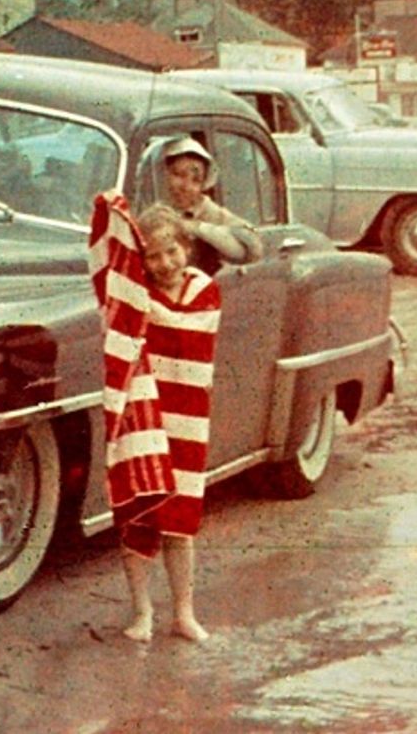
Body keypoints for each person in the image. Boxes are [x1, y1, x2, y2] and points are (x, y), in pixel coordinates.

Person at [89, 196, 221, 644]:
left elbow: (186, 328)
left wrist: (137, 302)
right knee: (139, 517)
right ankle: (142, 610)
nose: (165, 263)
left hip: (187, 420)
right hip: (144, 416)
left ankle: (184, 613)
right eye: (152, 255)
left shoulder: (205, 289)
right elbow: (114, 309)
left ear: (187, 247)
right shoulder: (133, 295)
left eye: (172, 251)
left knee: (180, 524)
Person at [160, 136, 262, 271]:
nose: (186, 186)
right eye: (178, 175)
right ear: (164, 173)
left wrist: (196, 228)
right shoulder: (147, 203)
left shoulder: (209, 212)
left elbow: (252, 248)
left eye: (196, 180)